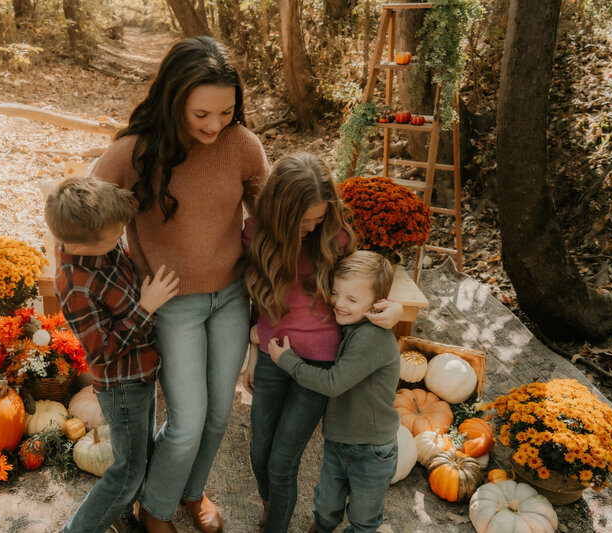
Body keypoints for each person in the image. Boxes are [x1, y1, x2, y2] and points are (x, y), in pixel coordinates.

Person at [89, 36, 269, 533]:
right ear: (173, 100)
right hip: (170, 304)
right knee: (187, 420)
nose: (215, 125)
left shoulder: (243, 146)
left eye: (226, 112)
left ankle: (189, 490)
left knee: (217, 416)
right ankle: (154, 506)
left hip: (231, 297)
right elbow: (82, 217)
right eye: (201, 114)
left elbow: (273, 220)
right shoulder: (132, 153)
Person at [242, 153, 403, 533]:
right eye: (304, 221)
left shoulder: (337, 237)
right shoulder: (254, 234)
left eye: (318, 218)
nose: (312, 227)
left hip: (320, 363)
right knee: (259, 450)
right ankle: (273, 504)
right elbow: (254, 298)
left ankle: (275, 525)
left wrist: (392, 307)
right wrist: (252, 353)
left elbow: (366, 284)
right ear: (280, 211)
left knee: (283, 459)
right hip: (271, 354)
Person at [45, 176, 180, 533]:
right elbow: (102, 351)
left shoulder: (102, 245)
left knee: (140, 454)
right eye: (114, 236)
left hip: (142, 372)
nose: (120, 237)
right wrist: (145, 307)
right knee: (127, 470)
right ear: (83, 243)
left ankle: (120, 515)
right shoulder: (74, 284)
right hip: (121, 386)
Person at [267, 251, 401, 533]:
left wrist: (288, 361)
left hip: (372, 449)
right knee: (327, 504)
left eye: (351, 300)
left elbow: (332, 383)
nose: (339, 304)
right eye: (335, 293)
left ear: (377, 303)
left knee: (363, 516)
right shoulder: (351, 323)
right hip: (339, 440)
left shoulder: (372, 337)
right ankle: (322, 526)